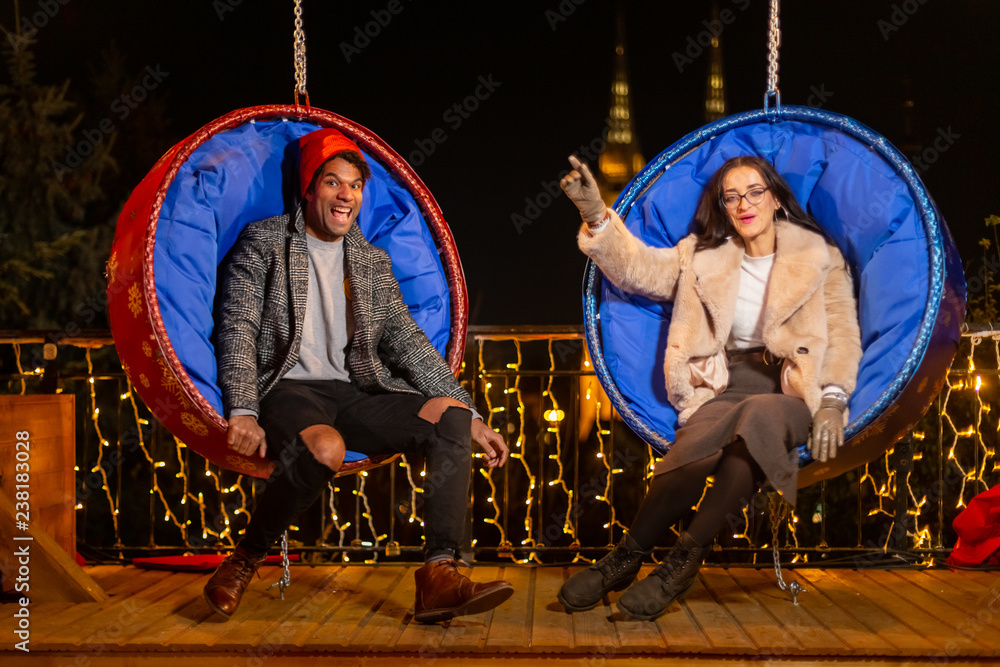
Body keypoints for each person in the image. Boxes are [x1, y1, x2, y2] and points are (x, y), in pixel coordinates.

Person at [203, 128, 513, 623]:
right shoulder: (265, 242)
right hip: (287, 388)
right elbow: (238, 326)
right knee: (324, 449)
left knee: (451, 416)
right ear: (309, 190)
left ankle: (438, 575)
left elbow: (408, 343)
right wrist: (242, 408)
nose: (346, 194)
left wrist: (472, 413)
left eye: (354, 185)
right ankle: (245, 559)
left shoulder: (371, 262)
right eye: (332, 182)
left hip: (354, 391)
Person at [557, 154, 862, 620]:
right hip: (726, 385)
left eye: (755, 191)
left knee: (760, 418)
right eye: (732, 196)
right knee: (699, 441)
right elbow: (639, 269)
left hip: (791, 389)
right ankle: (627, 559)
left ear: (777, 198)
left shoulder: (820, 257)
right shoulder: (702, 256)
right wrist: (597, 216)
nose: (744, 204)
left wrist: (834, 400)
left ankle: (682, 560)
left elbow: (842, 333)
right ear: (722, 206)